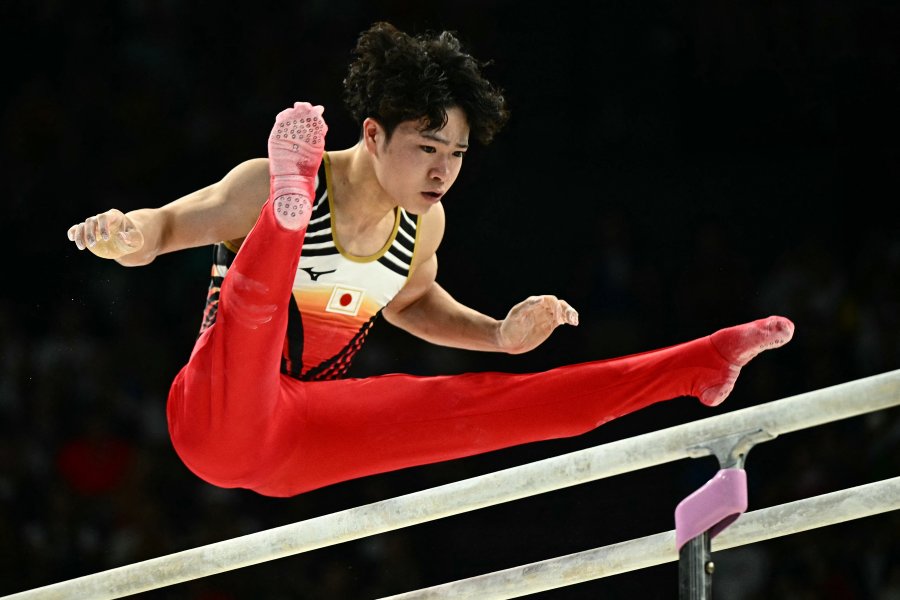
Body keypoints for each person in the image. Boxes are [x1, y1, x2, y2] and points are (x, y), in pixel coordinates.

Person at [66, 21, 794, 498]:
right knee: (256, 300)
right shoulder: (267, 179)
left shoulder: (425, 224)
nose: (443, 170)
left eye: (457, 154)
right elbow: (159, 231)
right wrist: (123, 233)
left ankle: (698, 364)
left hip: (302, 434)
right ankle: (286, 224)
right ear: (375, 134)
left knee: (505, 408)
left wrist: (499, 335)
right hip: (211, 419)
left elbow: (413, 304)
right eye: (428, 148)